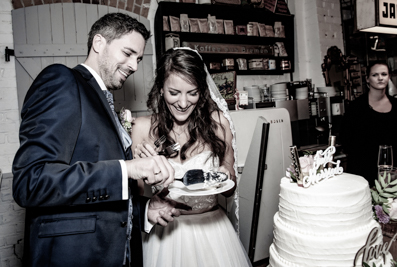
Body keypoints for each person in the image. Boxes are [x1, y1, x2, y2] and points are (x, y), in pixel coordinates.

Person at [12, 13, 189, 267]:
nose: (134, 66)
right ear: (98, 43)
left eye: (138, 59)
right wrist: (128, 168)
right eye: (127, 53)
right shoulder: (62, 81)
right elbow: (31, 181)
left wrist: (145, 210)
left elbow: (99, 199)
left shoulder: (105, 101)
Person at [131, 48, 252, 267]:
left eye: (192, 93)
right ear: (160, 89)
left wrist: (225, 177)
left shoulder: (219, 123)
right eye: (174, 92)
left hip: (214, 233)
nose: (184, 103)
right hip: (165, 238)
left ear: (202, 92)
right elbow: (137, 200)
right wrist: (142, 169)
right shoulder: (142, 128)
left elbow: (231, 187)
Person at [340, 60, 397, 187]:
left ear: (389, 77)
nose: (380, 78)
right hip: (363, 172)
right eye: (375, 75)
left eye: (384, 74)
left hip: (392, 174)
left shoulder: (396, 106)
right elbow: (346, 140)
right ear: (367, 79)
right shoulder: (356, 108)